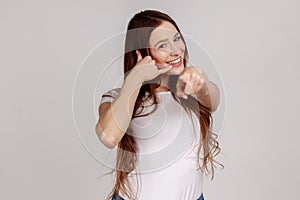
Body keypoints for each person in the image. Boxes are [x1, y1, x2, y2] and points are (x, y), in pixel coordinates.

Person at [95, 9, 223, 200]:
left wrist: (199, 82)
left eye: (177, 39)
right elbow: (108, 137)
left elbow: (213, 100)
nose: (175, 50)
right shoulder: (116, 98)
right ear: (142, 53)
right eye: (163, 45)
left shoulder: (189, 90)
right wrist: (136, 76)